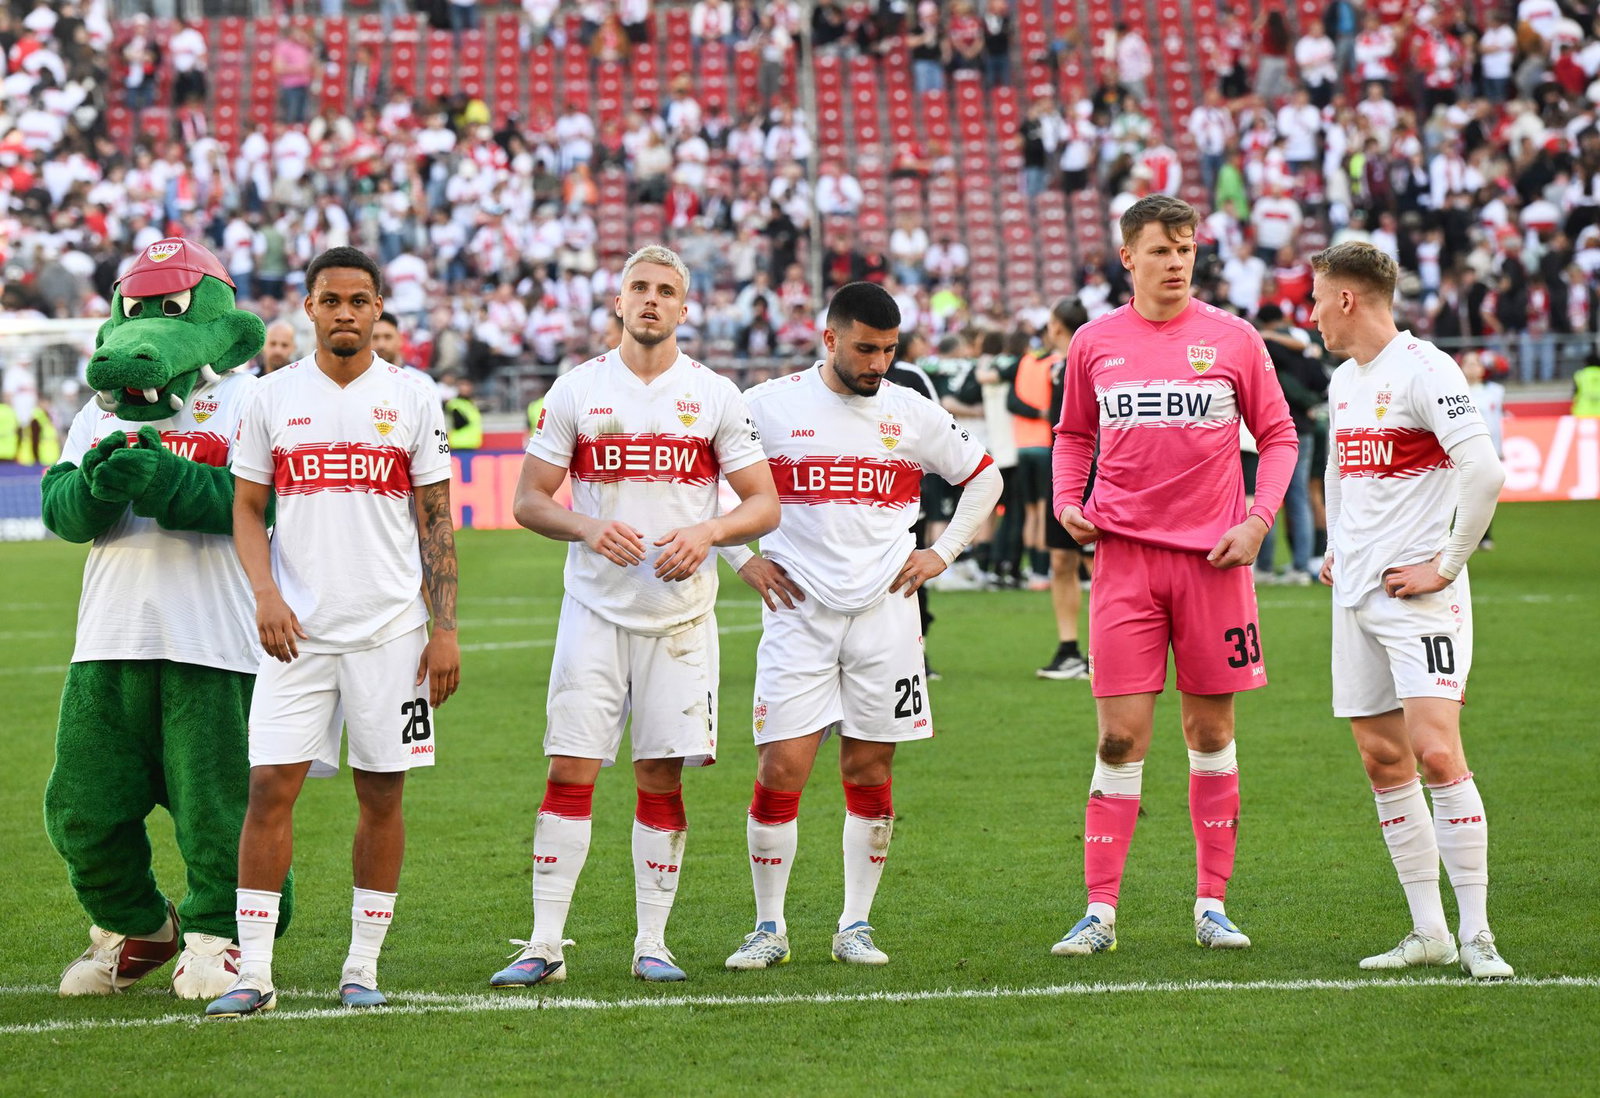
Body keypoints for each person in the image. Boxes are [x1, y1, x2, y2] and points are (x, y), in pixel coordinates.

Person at [490, 245, 780, 987]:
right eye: (639, 288)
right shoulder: (577, 389)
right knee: (570, 769)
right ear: (619, 303)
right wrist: (587, 527)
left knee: (659, 777)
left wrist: (709, 533)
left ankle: (653, 943)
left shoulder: (715, 395)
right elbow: (527, 500)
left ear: (685, 308)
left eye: (666, 291)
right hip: (593, 611)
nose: (651, 300)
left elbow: (763, 503)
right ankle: (544, 945)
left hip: (680, 619)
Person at [205, 246, 461, 1017]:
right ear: (309, 308)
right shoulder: (269, 397)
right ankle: (254, 972)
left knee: (382, 793)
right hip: (296, 634)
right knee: (266, 789)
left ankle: (362, 967)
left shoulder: (413, 397)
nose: (345, 312)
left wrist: (445, 628)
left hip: (393, 634)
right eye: (330, 300)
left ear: (379, 308)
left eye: (359, 300)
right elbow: (247, 507)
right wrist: (264, 592)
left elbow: (435, 519)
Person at [720, 282, 1002, 969]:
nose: (878, 364)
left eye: (888, 351)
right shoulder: (768, 406)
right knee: (781, 767)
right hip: (798, 612)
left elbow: (984, 478)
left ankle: (855, 924)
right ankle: (768, 927)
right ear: (830, 339)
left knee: (870, 765)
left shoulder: (911, 411)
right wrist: (742, 560)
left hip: (886, 615)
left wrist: (942, 553)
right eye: (865, 349)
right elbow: (708, 482)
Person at [1051, 195, 1297, 957]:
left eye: (1186, 249)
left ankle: (1211, 905)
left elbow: (1280, 436)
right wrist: (1066, 500)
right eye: (1161, 250)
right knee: (1118, 740)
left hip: (1213, 564)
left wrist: (1258, 520)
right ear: (1128, 257)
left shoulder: (1234, 337)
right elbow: (1073, 434)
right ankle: (1099, 913)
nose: (1177, 263)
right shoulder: (1094, 342)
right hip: (1124, 561)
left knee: (1211, 731)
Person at [1309, 242, 1513, 980]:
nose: (1312, 314)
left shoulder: (1427, 369)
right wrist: (1337, 544)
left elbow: (1484, 471)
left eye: (1316, 299)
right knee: (1383, 759)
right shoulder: (1344, 379)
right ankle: (1428, 931)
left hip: (1419, 598)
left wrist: (1446, 566)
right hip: (1356, 594)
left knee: (1436, 751)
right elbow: (1338, 469)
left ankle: (1478, 933)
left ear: (1347, 299)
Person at [1036, 299, 1094, 679]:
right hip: (1060, 471)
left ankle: (1105, 649)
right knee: (1061, 559)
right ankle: (1069, 649)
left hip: (1096, 470)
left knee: (1098, 562)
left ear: (1056, 326)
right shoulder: (1057, 367)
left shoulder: (1091, 362)